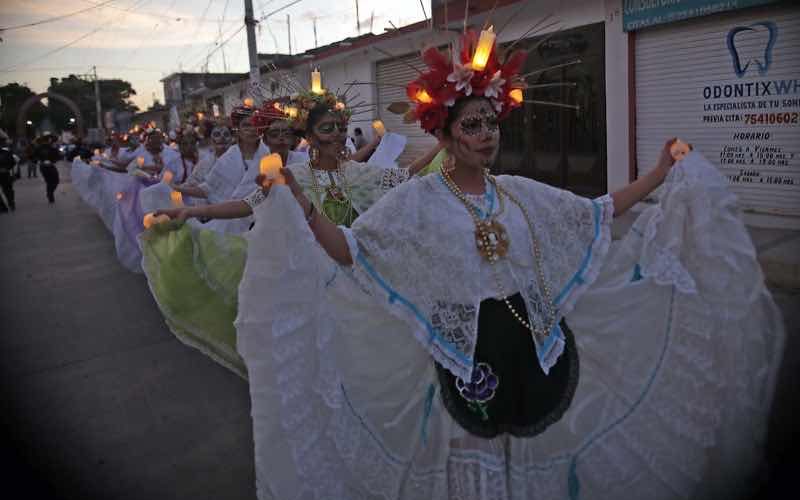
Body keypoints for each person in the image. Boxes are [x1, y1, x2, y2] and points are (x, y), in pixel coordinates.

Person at [234, 30, 784, 500]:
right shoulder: (416, 203)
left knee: (536, 457)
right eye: (471, 126)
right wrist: (297, 202)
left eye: (491, 124)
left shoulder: (519, 194)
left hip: (534, 348)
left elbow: (594, 214)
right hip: (466, 360)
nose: (485, 136)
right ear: (445, 135)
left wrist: (660, 173)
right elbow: (350, 250)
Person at [143, 91, 434, 377]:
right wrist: (191, 212)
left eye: (341, 128)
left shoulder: (354, 172)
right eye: (326, 128)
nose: (336, 135)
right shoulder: (295, 173)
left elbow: (402, 177)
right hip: (313, 279)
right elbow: (247, 204)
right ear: (308, 134)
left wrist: (444, 146)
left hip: (354, 275)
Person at [35, 135, 61, 203]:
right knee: (55, 180)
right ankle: (50, 193)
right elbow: (57, 155)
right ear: (48, 140)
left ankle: (50, 193)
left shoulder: (39, 147)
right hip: (48, 166)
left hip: (45, 166)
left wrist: (40, 161)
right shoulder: (49, 147)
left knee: (50, 181)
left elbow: (34, 156)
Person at [0, 133, 16, 212]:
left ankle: (11, 202)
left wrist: (6, 168)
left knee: (8, 190)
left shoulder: (6, 152)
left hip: (5, 174)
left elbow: (12, 162)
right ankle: (2, 207)